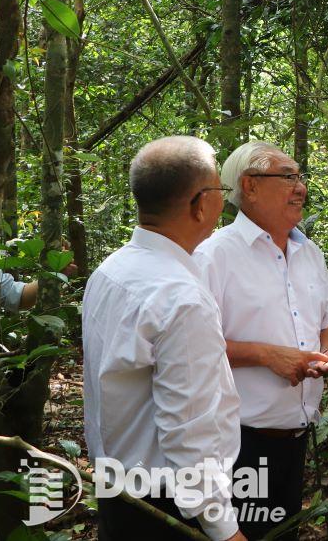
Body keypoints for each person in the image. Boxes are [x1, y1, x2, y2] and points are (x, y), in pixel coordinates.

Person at [195, 141, 328, 541]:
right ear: (249, 186)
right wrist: (266, 356)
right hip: (239, 444)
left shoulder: (308, 251)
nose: (300, 187)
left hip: (295, 440)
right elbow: (191, 348)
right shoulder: (213, 256)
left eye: (300, 177)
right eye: (288, 176)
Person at [82, 136, 244, 541]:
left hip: (118, 488)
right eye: (220, 191)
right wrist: (223, 528)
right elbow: (188, 429)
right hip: (167, 506)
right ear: (201, 203)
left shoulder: (110, 270)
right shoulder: (181, 298)